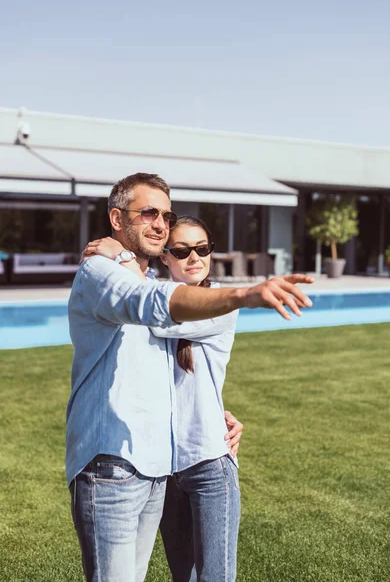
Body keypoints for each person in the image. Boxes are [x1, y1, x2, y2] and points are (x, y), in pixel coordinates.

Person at [68, 172, 313, 582]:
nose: (160, 224)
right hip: (111, 463)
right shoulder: (101, 272)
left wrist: (219, 411)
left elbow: (161, 357)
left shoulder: (145, 279)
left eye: (166, 215)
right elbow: (149, 304)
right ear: (116, 218)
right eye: (148, 213)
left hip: (156, 467)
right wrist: (245, 294)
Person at [90, 215, 241, 581]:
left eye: (202, 249)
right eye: (182, 250)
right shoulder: (147, 289)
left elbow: (160, 316)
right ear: (165, 258)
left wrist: (123, 258)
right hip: (163, 467)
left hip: (209, 463)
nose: (194, 258)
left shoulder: (219, 302)